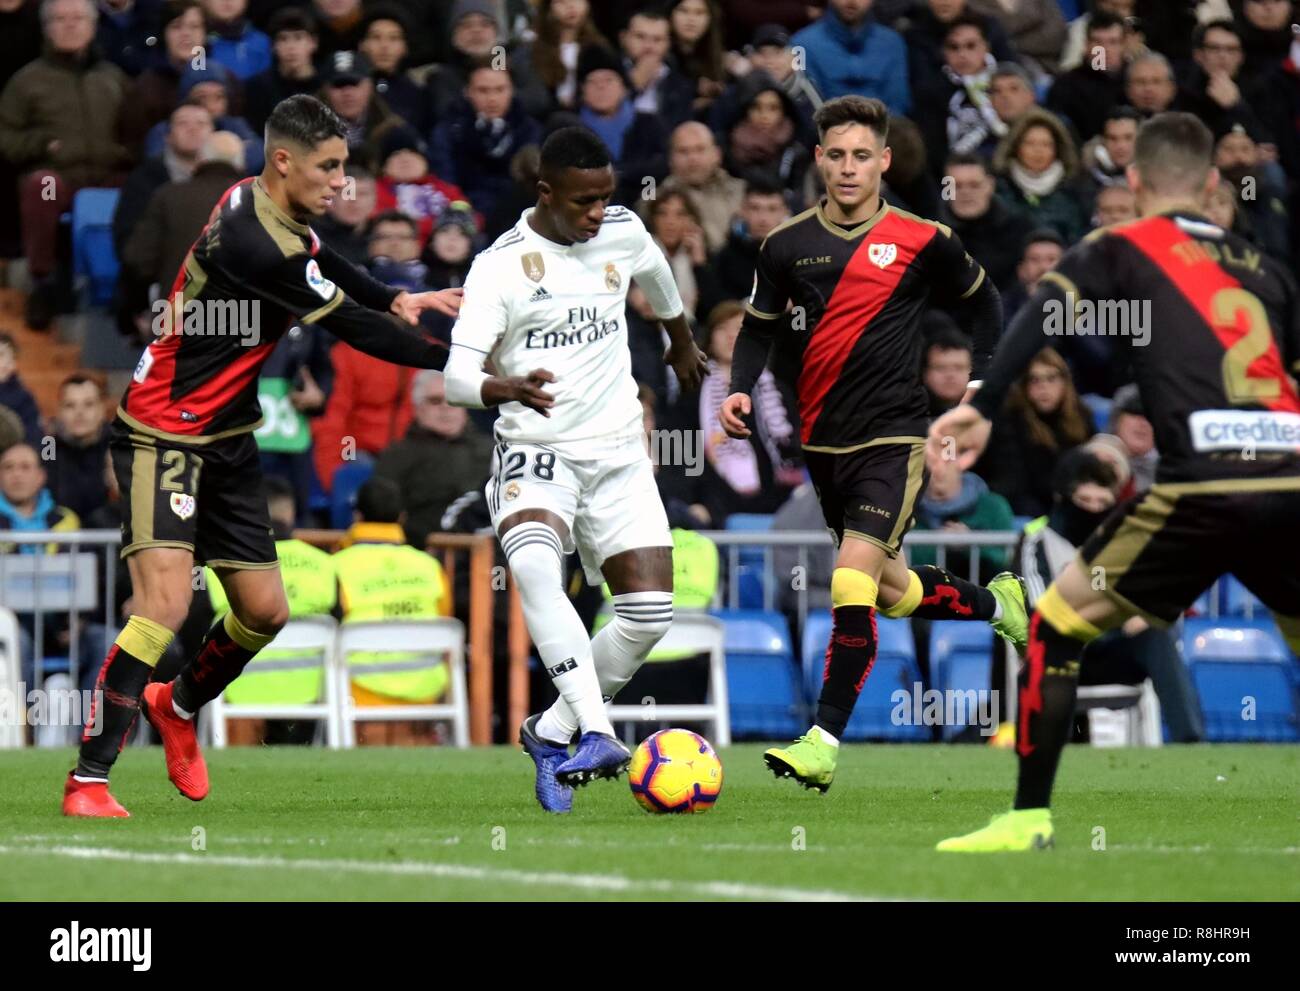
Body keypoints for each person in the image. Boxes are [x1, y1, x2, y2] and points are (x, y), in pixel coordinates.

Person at [61, 94, 462, 818]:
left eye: (344, 166)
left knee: (265, 612)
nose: (342, 181)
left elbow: (320, 260)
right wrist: (466, 363)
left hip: (229, 439)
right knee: (164, 602)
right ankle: (89, 778)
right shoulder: (250, 239)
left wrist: (392, 295)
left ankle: (177, 706)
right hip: (165, 431)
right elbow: (351, 328)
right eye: (329, 166)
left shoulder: (259, 200)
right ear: (284, 161)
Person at [931, 112, 1300, 852]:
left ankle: (1028, 818)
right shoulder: (1268, 269)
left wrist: (980, 405)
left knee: (1057, 624)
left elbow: (1042, 312)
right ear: (1210, 185)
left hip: (1200, 488)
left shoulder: (1123, 244)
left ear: (1132, 183)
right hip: (1290, 480)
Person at [718, 95, 1028, 793]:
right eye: (837, 154)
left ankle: (823, 740)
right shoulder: (786, 245)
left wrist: (978, 390)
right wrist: (741, 386)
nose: (849, 167)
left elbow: (986, 303)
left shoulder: (925, 239)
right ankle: (997, 604)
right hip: (822, 446)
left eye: (863, 155)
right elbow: (760, 326)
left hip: (894, 438)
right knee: (888, 590)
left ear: (885, 160)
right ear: (819, 160)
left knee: (850, 581)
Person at [443, 126, 707, 812]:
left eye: (606, 198)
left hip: (620, 451)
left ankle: (550, 729)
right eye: (585, 201)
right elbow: (455, 377)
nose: (599, 213)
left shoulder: (620, 229)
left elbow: (655, 271)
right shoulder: (499, 267)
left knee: (650, 615)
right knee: (533, 564)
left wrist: (679, 338)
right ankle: (596, 728)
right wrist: (505, 388)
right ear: (546, 193)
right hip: (538, 450)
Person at [373, 369, 495, 550]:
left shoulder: (493, 450)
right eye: (435, 401)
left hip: (487, 550)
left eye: (453, 400)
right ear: (417, 407)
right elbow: (383, 512)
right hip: (422, 551)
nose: (446, 407)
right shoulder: (397, 455)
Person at [794, 0, 911, 112]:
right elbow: (811, 109)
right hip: (826, 129)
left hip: (885, 129)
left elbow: (898, 104)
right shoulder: (803, 45)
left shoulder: (892, 43)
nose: (852, 1)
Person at [44, 374, 111, 521]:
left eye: (88, 404)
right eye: (70, 405)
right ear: (59, 411)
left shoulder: (118, 447)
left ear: (102, 409)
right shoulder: (48, 446)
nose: (79, 413)